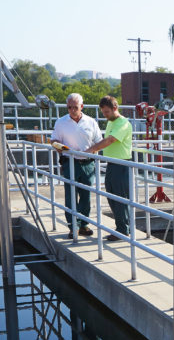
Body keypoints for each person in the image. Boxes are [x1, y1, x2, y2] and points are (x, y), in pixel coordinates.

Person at [51, 93, 105, 239]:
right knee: (70, 195)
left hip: (88, 163)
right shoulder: (61, 122)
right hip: (70, 162)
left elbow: (99, 141)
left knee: (86, 195)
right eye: (69, 107)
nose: (72, 110)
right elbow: (54, 141)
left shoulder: (91, 122)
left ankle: (83, 224)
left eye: (75, 107)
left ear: (82, 106)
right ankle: (72, 226)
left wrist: (92, 152)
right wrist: (61, 148)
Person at [94, 95, 134, 241]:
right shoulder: (112, 122)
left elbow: (110, 140)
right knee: (112, 196)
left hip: (121, 164)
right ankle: (121, 228)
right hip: (112, 164)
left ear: (115, 108)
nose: (105, 115)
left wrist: (91, 149)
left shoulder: (123, 123)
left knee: (120, 198)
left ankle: (123, 230)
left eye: (107, 112)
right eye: (103, 112)